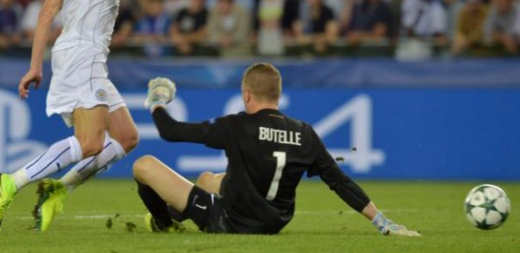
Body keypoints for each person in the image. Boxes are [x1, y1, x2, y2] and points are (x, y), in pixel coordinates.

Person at [0, 0, 183, 233]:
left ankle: (59, 189)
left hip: (77, 51)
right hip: (84, 51)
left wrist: (35, 65)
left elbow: (47, 11)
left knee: (125, 136)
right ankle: (9, 182)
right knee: (90, 142)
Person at [134, 63, 421, 236]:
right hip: (275, 222)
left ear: (246, 94)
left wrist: (157, 101)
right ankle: (178, 213)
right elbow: (339, 181)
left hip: (231, 221)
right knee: (207, 179)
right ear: (278, 95)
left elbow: (170, 132)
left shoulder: (236, 125)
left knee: (143, 165)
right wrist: (383, 223)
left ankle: (164, 222)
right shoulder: (305, 132)